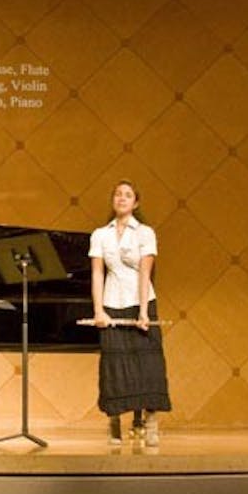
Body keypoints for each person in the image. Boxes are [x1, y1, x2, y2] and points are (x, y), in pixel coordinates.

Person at [88, 179, 170, 447]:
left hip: (141, 301)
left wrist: (144, 312)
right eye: (117, 194)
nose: (122, 198)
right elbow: (98, 273)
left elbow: (146, 272)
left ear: (136, 202)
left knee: (147, 364)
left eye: (127, 195)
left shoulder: (145, 232)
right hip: (112, 302)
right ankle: (114, 422)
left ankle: (150, 422)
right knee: (115, 364)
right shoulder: (100, 234)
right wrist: (99, 310)